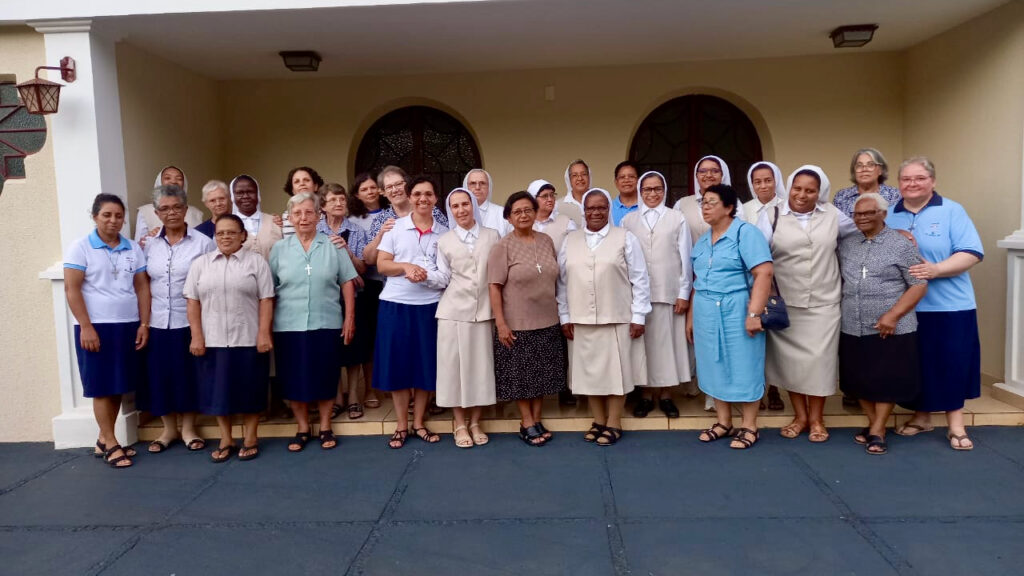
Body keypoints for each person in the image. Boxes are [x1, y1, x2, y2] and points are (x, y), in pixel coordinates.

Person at [886, 156, 984, 451]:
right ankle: (921, 416)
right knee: (918, 365)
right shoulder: (891, 215)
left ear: (933, 181)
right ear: (899, 183)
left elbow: (971, 253)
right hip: (909, 307)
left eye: (919, 178)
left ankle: (956, 425)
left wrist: (936, 270)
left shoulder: (952, 211)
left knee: (952, 364)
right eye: (906, 179)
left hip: (951, 306)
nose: (912, 184)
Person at [764, 166, 855, 443]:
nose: (802, 195)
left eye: (810, 190)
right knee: (792, 364)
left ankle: (817, 418)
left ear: (820, 192)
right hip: (786, 302)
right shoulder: (771, 215)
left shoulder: (833, 215)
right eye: (797, 188)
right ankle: (800, 416)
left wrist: (898, 234)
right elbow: (758, 255)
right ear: (789, 187)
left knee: (820, 364)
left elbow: (862, 231)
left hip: (824, 302)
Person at [557, 188, 651, 446]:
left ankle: (614, 421)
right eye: (590, 208)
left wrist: (639, 315)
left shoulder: (625, 238)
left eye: (601, 207)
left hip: (617, 317)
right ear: (584, 211)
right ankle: (598, 420)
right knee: (589, 376)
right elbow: (562, 283)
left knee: (615, 374)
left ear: (608, 210)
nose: (596, 212)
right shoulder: (570, 240)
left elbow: (640, 279)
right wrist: (564, 315)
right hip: (581, 320)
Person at [64, 193, 150, 468]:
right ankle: (112, 443)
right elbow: (71, 288)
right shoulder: (81, 247)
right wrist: (86, 327)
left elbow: (142, 287)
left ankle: (104, 439)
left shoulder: (133, 248)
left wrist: (144, 323)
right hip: (96, 327)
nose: (113, 221)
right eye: (106, 215)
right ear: (95, 216)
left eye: (118, 216)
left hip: (126, 325)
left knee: (117, 386)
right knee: (101, 387)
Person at [685, 184, 773, 450]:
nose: (705, 207)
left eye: (712, 202)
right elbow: (698, 280)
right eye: (703, 202)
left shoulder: (746, 234)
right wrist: (691, 317)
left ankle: (749, 425)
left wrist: (754, 313)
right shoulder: (703, 240)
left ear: (729, 207)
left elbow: (764, 273)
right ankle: (724, 422)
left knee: (744, 364)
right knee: (712, 364)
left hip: (737, 308)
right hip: (705, 310)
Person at [839, 193, 928, 455]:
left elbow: (919, 284)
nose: (862, 218)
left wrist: (892, 315)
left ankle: (877, 430)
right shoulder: (848, 243)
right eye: (858, 214)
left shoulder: (901, 244)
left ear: (883, 214)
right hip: (853, 324)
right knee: (859, 380)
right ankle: (873, 423)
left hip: (890, 326)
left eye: (869, 213)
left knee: (885, 379)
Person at [270, 192, 358, 452]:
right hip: (288, 324)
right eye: (297, 213)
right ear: (290, 218)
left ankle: (326, 425)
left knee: (326, 375)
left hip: (327, 321)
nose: (303, 218)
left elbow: (347, 283)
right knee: (294, 377)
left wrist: (349, 318)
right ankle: (302, 427)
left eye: (309, 212)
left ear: (319, 216)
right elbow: (270, 290)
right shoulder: (279, 249)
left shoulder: (333, 244)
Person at [185, 214, 274, 462]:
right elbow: (192, 301)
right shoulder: (200, 264)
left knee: (250, 390)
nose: (225, 236)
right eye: (221, 232)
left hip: (248, 337)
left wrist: (264, 332)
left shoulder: (256, 262)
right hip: (212, 339)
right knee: (218, 393)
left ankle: (251, 438)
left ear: (242, 235)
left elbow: (266, 299)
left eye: (231, 232)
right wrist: (196, 336)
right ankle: (226, 438)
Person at [373, 175, 449, 448]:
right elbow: (382, 265)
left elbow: (445, 273)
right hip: (396, 305)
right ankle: (401, 425)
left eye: (428, 194)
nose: (422, 199)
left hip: (429, 305)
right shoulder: (395, 227)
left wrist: (425, 276)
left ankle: (419, 422)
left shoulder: (443, 233)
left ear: (435, 199)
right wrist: (406, 267)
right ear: (410, 196)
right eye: (417, 194)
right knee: (399, 366)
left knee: (425, 365)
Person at [141, 185, 214, 454]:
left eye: (176, 207)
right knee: (161, 376)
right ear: (157, 213)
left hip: (190, 321)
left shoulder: (203, 243)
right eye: (164, 208)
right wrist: (144, 323)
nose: (171, 212)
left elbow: (209, 282)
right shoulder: (148, 244)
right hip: (158, 321)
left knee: (188, 375)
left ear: (185, 209)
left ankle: (188, 428)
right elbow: (144, 285)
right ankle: (168, 429)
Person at [489, 191, 566, 447]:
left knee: (542, 374)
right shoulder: (503, 246)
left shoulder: (546, 240)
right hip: (517, 322)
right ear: (508, 218)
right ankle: (526, 422)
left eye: (528, 210)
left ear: (535, 212)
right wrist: (501, 323)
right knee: (522, 376)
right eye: (517, 212)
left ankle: (537, 418)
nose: (523, 215)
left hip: (547, 319)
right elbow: (494, 286)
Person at [621, 171, 692, 418]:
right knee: (644, 348)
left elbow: (685, 257)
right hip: (637, 296)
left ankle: (666, 395)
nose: (652, 193)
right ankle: (645, 394)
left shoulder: (677, 218)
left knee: (667, 347)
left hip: (668, 291)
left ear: (664, 190)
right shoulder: (628, 220)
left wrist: (683, 292)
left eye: (657, 188)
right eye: (647, 189)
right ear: (641, 192)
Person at [433, 188, 499, 447]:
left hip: (484, 312)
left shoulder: (492, 235)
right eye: (455, 206)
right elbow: (442, 277)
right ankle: (459, 423)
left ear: (473, 206)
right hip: (452, 313)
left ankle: (475, 421)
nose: (461, 210)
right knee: (454, 370)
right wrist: (418, 273)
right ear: (450, 210)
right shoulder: (444, 240)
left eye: (465, 204)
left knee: (480, 369)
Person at [674, 154, 738, 409]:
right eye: (703, 171)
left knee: (719, 335)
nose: (708, 175)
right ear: (696, 175)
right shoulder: (683, 203)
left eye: (714, 171)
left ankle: (716, 391)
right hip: (692, 272)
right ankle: (695, 380)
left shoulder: (733, 202)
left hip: (723, 275)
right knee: (693, 331)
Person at [317, 182, 371, 420]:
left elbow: (362, 269)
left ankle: (354, 397)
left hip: (354, 297)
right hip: (325, 296)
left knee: (353, 345)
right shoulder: (316, 230)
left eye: (342, 199)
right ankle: (337, 396)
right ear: (323, 206)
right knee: (331, 346)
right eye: (333, 200)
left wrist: (347, 250)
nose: (339, 204)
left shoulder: (357, 231)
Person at [741, 162, 786, 410]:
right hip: (750, 280)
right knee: (755, 336)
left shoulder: (787, 208)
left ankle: (775, 388)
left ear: (776, 180)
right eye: (757, 181)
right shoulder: (744, 209)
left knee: (776, 333)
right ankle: (757, 387)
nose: (763, 185)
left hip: (781, 279)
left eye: (768, 180)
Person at [346, 172, 387, 410]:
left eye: (373, 188)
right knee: (369, 339)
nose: (370, 192)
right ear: (356, 195)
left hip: (391, 284)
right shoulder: (353, 220)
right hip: (367, 285)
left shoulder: (390, 214)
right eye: (365, 189)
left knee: (386, 338)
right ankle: (370, 388)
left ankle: (390, 385)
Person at [136, 166, 204, 241]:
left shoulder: (196, 213)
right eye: (167, 178)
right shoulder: (145, 211)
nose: (173, 182)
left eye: (179, 179)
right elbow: (138, 246)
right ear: (159, 181)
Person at [832, 148, 901, 219]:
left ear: (880, 170)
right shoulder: (841, 196)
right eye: (859, 166)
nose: (864, 169)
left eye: (870, 165)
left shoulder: (895, 195)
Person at [231, 174, 283, 261]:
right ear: (233, 196)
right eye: (240, 193)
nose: (245, 196)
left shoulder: (275, 222)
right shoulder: (228, 225)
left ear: (258, 194)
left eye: (250, 191)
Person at [527, 179, 576, 251]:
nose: (550, 199)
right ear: (533, 199)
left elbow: (573, 251)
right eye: (545, 196)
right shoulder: (525, 223)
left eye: (552, 195)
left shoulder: (567, 223)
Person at [463, 169, 512, 236]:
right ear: (466, 187)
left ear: (489, 187)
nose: (477, 187)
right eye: (473, 183)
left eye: (482, 183)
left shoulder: (503, 213)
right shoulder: (459, 214)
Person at [278, 166, 324, 237]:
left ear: (315, 186)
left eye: (306, 180)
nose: (302, 184)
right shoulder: (286, 216)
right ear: (292, 190)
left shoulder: (326, 213)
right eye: (297, 181)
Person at [559, 159, 589, 227]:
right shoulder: (559, 206)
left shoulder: (600, 202)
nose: (580, 178)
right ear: (569, 179)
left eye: (584, 174)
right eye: (575, 175)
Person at [611, 161, 641, 225]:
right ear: (616, 182)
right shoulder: (608, 208)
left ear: (639, 180)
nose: (626, 180)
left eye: (631, 176)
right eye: (622, 177)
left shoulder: (646, 207)